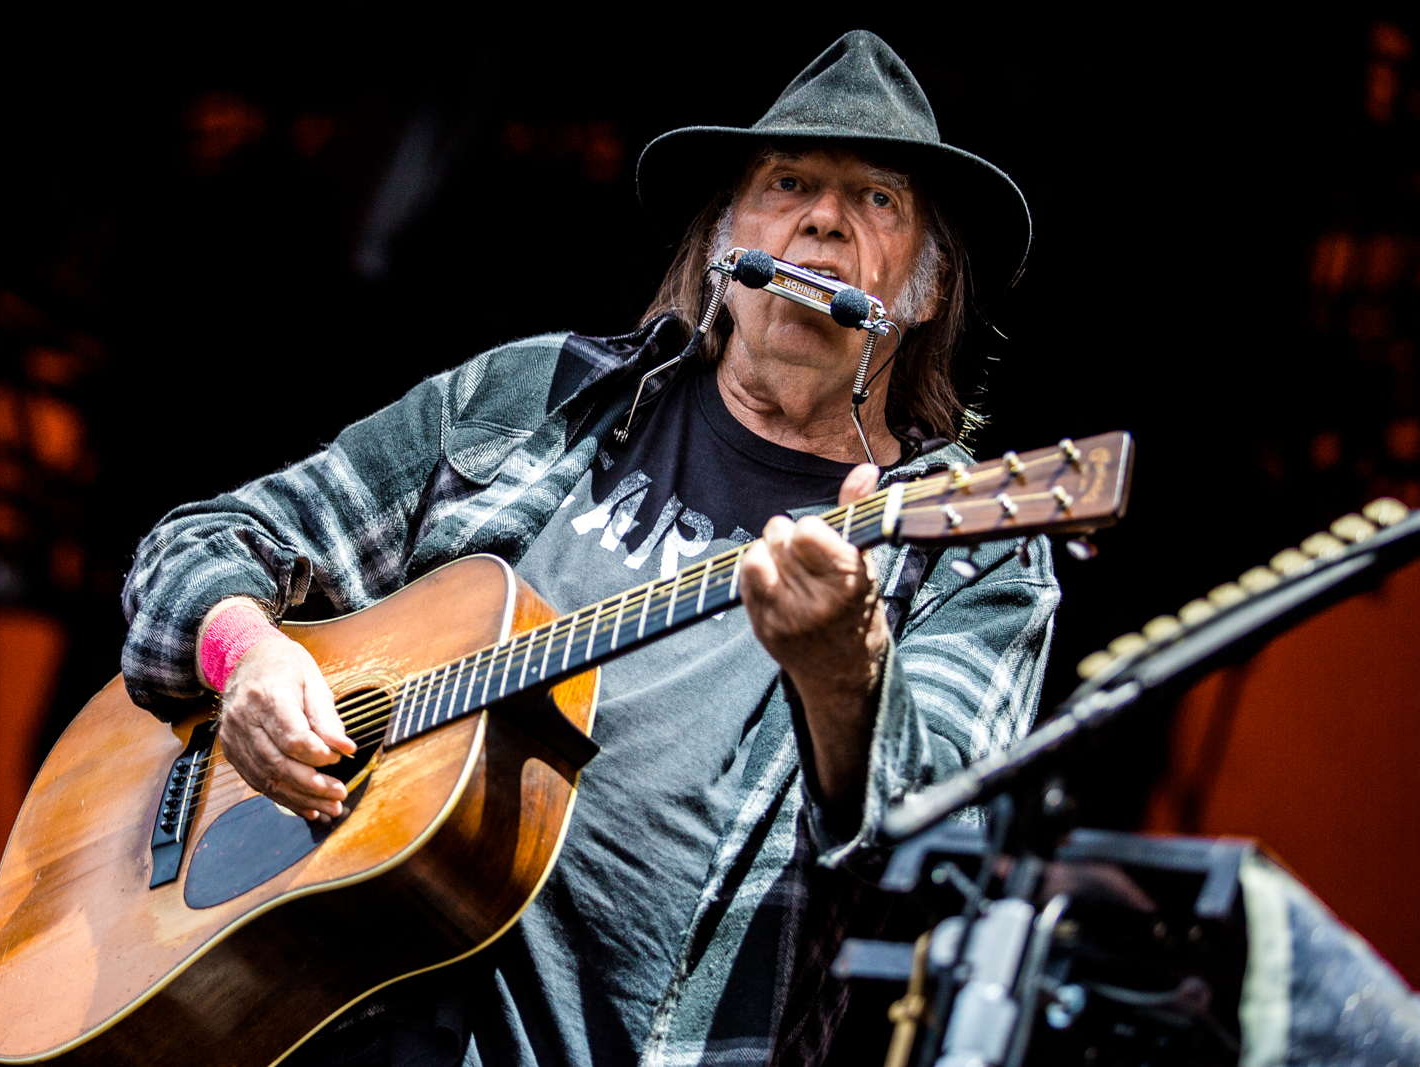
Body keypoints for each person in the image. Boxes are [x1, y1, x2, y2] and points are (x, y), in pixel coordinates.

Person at [121, 31, 1058, 1067]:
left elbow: (928, 870)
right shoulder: (535, 399)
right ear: (721, 243)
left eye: (876, 199)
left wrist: (847, 672)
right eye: (788, 181)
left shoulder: (974, 548)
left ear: (922, 293)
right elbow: (203, 543)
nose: (823, 217)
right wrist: (244, 655)